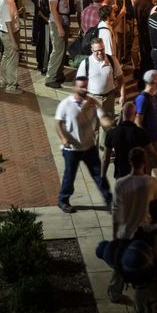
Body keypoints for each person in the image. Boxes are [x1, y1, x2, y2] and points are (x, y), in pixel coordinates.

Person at [108, 146, 157, 305]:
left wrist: (115, 235)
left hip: (126, 231)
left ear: (130, 162)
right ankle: (147, 299)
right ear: (144, 162)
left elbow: (116, 211)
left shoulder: (121, 184)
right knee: (147, 266)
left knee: (120, 264)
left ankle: (115, 292)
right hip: (145, 232)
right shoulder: (152, 183)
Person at [55, 75, 112, 213]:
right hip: (72, 149)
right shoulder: (65, 104)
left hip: (89, 146)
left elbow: (103, 118)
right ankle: (63, 200)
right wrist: (63, 139)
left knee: (99, 174)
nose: (84, 89)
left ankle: (110, 200)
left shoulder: (93, 103)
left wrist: (111, 125)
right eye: (81, 86)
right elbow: (58, 124)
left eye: (86, 86)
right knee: (70, 175)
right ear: (74, 87)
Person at [0, 0, 20, 92]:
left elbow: (12, 16)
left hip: (6, 33)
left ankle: (5, 80)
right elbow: (8, 23)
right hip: (8, 34)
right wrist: (13, 41)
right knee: (12, 59)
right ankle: (11, 85)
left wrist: (19, 12)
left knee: (6, 57)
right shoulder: (5, 3)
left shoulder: (9, 0)